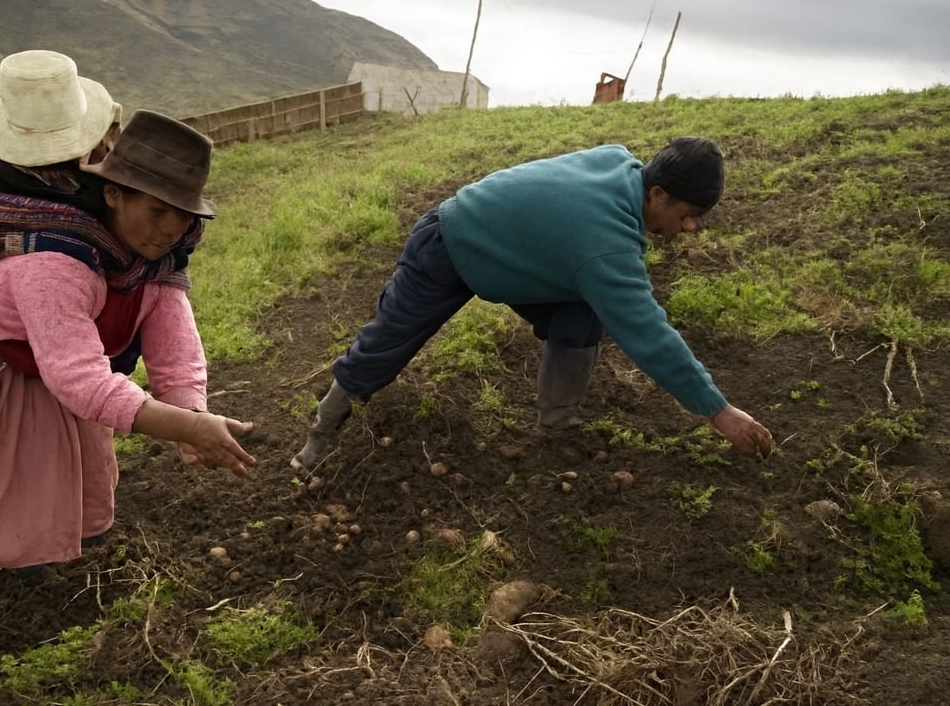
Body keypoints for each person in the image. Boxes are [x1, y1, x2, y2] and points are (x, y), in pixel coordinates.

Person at [0, 50, 254, 685]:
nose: (170, 229)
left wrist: (190, 407)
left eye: (184, 214)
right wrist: (177, 427)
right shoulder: (56, 256)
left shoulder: (142, 241)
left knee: (40, 471)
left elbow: (166, 322)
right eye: (158, 211)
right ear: (113, 191)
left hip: (45, 359)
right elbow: (81, 380)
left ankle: (22, 546)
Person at [293, 137, 774, 469]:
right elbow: (650, 336)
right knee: (387, 345)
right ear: (657, 192)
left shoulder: (619, 161)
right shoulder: (606, 247)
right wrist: (718, 411)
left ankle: (558, 423)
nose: (690, 229)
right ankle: (319, 436)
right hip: (450, 241)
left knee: (582, 312)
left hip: (514, 259)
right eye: (687, 216)